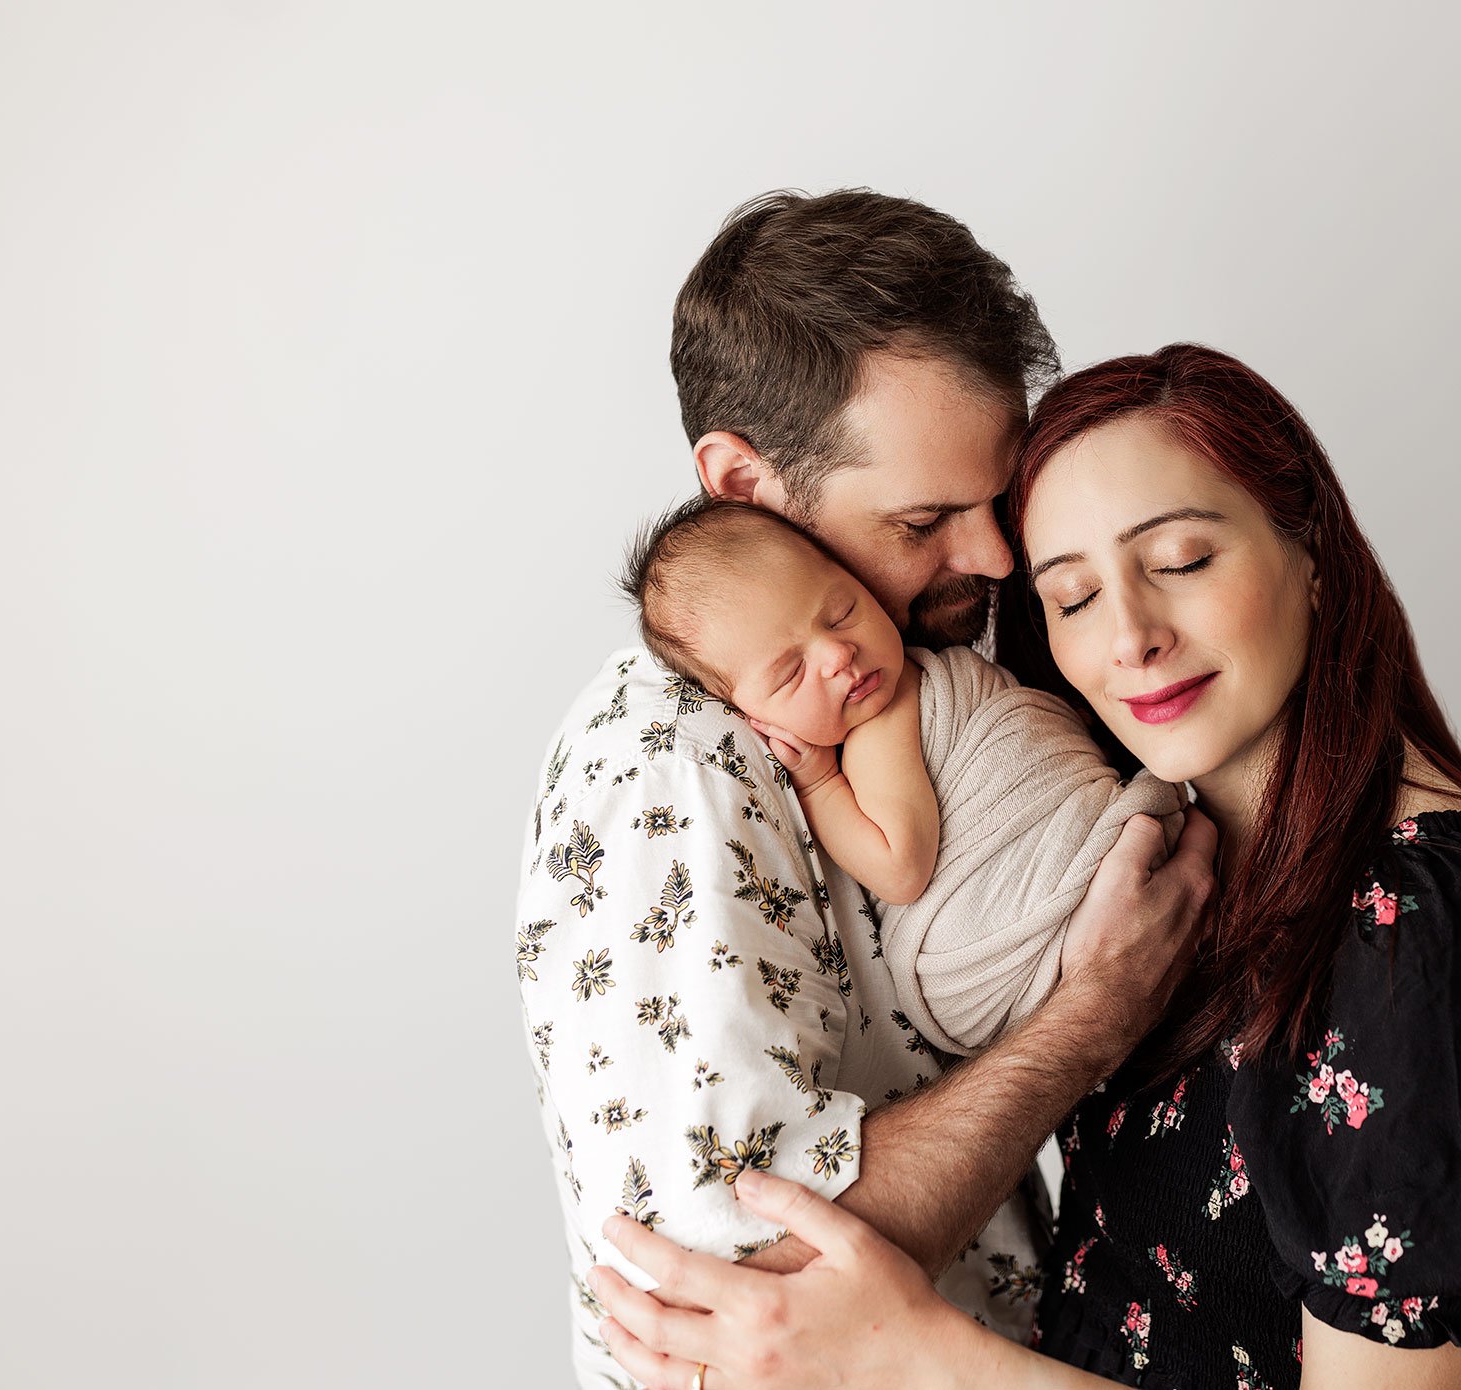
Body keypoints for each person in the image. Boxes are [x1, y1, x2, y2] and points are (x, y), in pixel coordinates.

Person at [584, 344, 1461, 1390]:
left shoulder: (1415, 923)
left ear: (1311, 553)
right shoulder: (1186, 868)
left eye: (1182, 562)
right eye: (1071, 597)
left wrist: (918, 1359)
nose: (1130, 638)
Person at [515, 193, 1216, 1388]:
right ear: (742, 483)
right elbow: (748, 1297)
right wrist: (1089, 1014)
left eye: (995, 500)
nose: (997, 558)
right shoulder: (673, 769)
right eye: (924, 519)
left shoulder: (896, 692)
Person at [624, 496, 1185, 1050]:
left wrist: (819, 784)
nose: (838, 654)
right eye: (792, 672)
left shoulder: (882, 718)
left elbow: (898, 869)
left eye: (842, 612)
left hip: (1042, 898)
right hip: (1009, 937)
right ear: (749, 716)